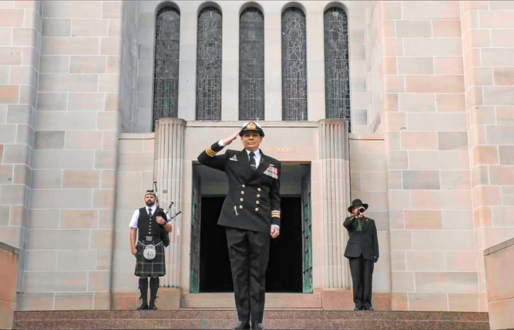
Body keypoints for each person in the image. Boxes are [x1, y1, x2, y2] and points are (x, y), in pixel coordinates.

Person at [197, 121, 281, 330]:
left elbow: (275, 197)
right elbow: (203, 158)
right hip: (235, 220)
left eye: (254, 134)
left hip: (261, 222)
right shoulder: (231, 157)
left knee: (258, 273)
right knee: (239, 272)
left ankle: (257, 320)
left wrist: (276, 222)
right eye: (246, 135)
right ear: (241, 138)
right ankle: (243, 319)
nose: (250, 138)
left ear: (261, 138)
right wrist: (224, 142)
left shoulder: (273, 163)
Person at [129, 190, 172, 310]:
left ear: (155, 199)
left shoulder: (162, 212)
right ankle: (144, 303)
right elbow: (133, 229)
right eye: (147, 197)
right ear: (144, 199)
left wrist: (163, 222)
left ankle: (152, 303)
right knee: (142, 275)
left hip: (157, 243)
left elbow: (170, 228)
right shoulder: (138, 212)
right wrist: (133, 247)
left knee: (154, 274)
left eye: (151, 197)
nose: (149, 198)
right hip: (142, 244)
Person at [343, 199, 379, 311]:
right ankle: (358, 303)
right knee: (357, 279)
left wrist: (376, 254)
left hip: (368, 253)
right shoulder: (350, 220)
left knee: (367, 279)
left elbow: (374, 238)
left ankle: (367, 304)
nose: (358, 209)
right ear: (353, 210)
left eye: (360, 208)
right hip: (354, 253)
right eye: (356, 208)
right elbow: (346, 224)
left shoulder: (370, 222)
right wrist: (355, 216)